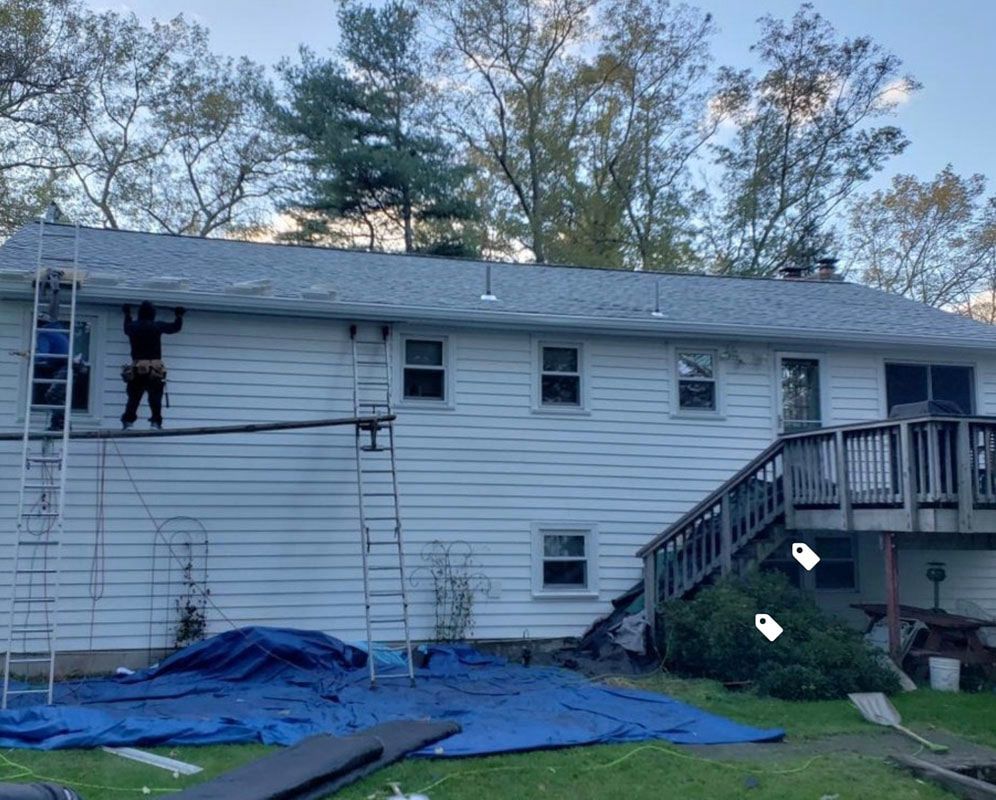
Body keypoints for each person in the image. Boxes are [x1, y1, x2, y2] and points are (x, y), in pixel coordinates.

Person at [121, 301, 185, 429]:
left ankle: (128, 422)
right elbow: (175, 328)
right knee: (155, 397)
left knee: (134, 397)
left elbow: (126, 327)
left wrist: (127, 313)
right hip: (155, 368)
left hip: (138, 367)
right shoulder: (157, 326)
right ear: (153, 314)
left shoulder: (133, 327)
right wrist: (179, 315)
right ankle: (155, 422)